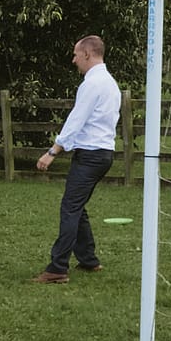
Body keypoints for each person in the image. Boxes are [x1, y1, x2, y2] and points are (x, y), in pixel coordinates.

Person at [31, 35, 120, 283]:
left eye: (76, 54)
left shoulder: (92, 84)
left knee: (69, 208)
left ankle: (57, 268)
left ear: (88, 55)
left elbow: (75, 121)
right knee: (77, 207)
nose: (73, 60)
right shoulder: (109, 83)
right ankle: (89, 260)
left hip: (91, 155)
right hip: (103, 154)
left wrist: (52, 152)